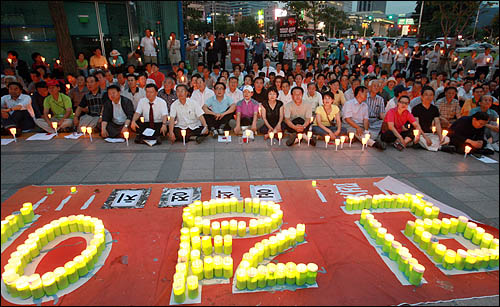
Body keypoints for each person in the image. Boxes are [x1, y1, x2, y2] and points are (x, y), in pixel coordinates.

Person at [411, 86, 448, 151]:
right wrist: (426, 138)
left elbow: (437, 123)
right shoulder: (416, 109)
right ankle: (440, 147)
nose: (428, 97)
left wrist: (440, 136)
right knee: (419, 139)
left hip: (430, 133)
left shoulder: (434, 109)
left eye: (431, 95)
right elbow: (417, 125)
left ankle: (430, 146)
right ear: (422, 96)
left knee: (446, 139)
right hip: (420, 133)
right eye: (426, 95)